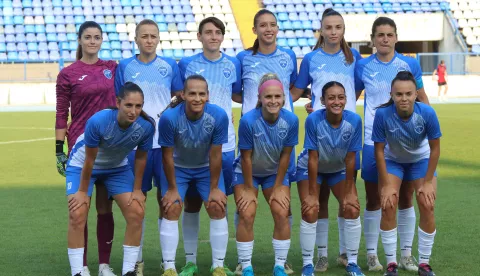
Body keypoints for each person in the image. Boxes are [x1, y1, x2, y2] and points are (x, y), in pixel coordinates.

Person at [354, 16, 431, 272]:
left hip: (406, 141)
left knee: (406, 198)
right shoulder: (362, 66)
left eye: (389, 34)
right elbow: (348, 96)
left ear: (396, 37)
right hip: (372, 140)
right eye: (380, 35)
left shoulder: (409, 64)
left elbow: (420, 96)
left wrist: (429, 124)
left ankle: (407, 254)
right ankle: (372, 254)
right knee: (375, 198)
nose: (385, 39)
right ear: (373, 39)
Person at [291, 8, 363, 271]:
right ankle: (319, 256)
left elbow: (356, 87)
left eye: (338, 27)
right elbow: (297, 91)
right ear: (321, 30)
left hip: (346, 137)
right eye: (328, 27)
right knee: (317, 204)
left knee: (349, 203)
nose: (333, 32)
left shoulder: (353, 57)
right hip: (321, 131)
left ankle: (347, 255)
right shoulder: (310, 58)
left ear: (344, 30)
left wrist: (340, 107)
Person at [115, 19, 184, 275]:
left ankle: (169, 264)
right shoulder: (125, 67)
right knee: (137, 202)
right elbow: (119, 103)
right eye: (144, 36)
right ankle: (137, 261)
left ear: (158, 39)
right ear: (136, 39)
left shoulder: (169, 67)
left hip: (164, 145)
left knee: (169, 202)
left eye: (153, 36)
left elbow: (179, 97)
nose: (149, 40)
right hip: (134, 147)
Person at [65, 82, 155, 276]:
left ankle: (128, 271)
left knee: (137, 212)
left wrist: (138, 189)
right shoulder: (98, 121)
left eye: (138, 106)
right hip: (82, 166)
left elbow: (140, 158)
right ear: (118, 102)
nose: (133, 111)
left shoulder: (146, 127)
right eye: (128, 105)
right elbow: (90, 159)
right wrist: (81, 192)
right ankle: (78, 271)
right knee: (78, 213)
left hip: (116, 168)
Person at [177, 17, 242, 276]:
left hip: (225, 143)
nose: (213, 36)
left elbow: (236, 93)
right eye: (208, 32)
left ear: (223, 37)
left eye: (218, 32)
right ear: (199, 36)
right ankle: (190, 261)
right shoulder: (187, 64)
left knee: (219, 203)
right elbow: (179, 96)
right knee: (191, 204)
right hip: (192, 145)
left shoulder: (232, 63)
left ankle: (220, 262)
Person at [236, 11, 297, 273]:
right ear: (254, 29)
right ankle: (244, 262)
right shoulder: (243, 58)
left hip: (278, 145)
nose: (268, 29)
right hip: (254, 140)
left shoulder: (289, 56)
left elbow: (294, 86)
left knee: (283, 206)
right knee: (246, 209)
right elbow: (236, 91)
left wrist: (278, 103)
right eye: (263, 25)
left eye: (273, 24)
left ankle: (282, 263)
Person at [55, 21, 117, 276]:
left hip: (109, 148)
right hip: (80, 148)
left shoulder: (113, 69)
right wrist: (59, 149)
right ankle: (80, 267)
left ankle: (104, 265)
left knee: (105, 208)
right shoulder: (68, 73)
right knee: (80, 209)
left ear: (102, 41)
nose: (92, 41)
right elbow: (61, 113)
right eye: (88, 37)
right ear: (80, 40)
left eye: (97, 37)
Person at [158, 75, 230, 276]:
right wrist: (172, 189)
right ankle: (170, 267)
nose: (197, 98)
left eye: (201, 94)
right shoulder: (169, 118)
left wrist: (214, 189)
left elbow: (216, 155)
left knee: (217, 206)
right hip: (178, 168)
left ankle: (218, 266)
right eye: (192, 93)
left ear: (208, 96)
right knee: (171, 207)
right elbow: (167, 156)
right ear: (183, 95)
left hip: (206, 168)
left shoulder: (218, 116)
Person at [373, 71, 441, 276]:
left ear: (416, 95)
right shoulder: (382, 115)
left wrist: (428, 181)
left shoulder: (427, 113)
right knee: (388, 203)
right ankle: (392, 264)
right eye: (399, 94)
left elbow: (435, 149)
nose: (404, 98)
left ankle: (424, 264)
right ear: (392, 95)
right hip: (393, 161)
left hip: (420, 160)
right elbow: (378, 150)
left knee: (427, 203)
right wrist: (385, 184)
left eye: (409, 94)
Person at [296, 81, 364, 276]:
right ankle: (310, 263)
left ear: (346, 99)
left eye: (340, 97)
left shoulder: (354, 121)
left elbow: (352, 158)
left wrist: (350, 192)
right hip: (311, 167)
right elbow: (313, 157)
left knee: (351, 206)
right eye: (331, 97)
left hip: (338, 168)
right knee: (311, 208)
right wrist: (311, 194)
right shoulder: (313, 120)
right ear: (323, 101)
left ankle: (351, 262)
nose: (336, 101)